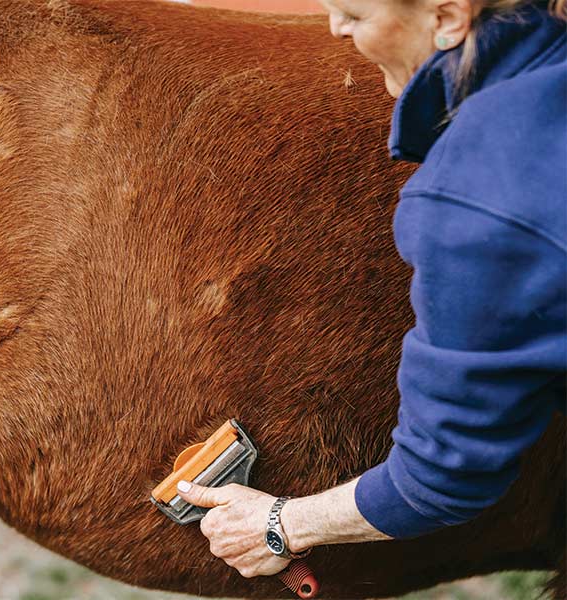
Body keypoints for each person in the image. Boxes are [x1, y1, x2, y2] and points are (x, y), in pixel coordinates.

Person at [177, 0, 566, 578]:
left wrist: (282, 524)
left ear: (449, 18)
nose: (334, 28)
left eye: (354, 16)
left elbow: (443, 473)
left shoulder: (474, 196)